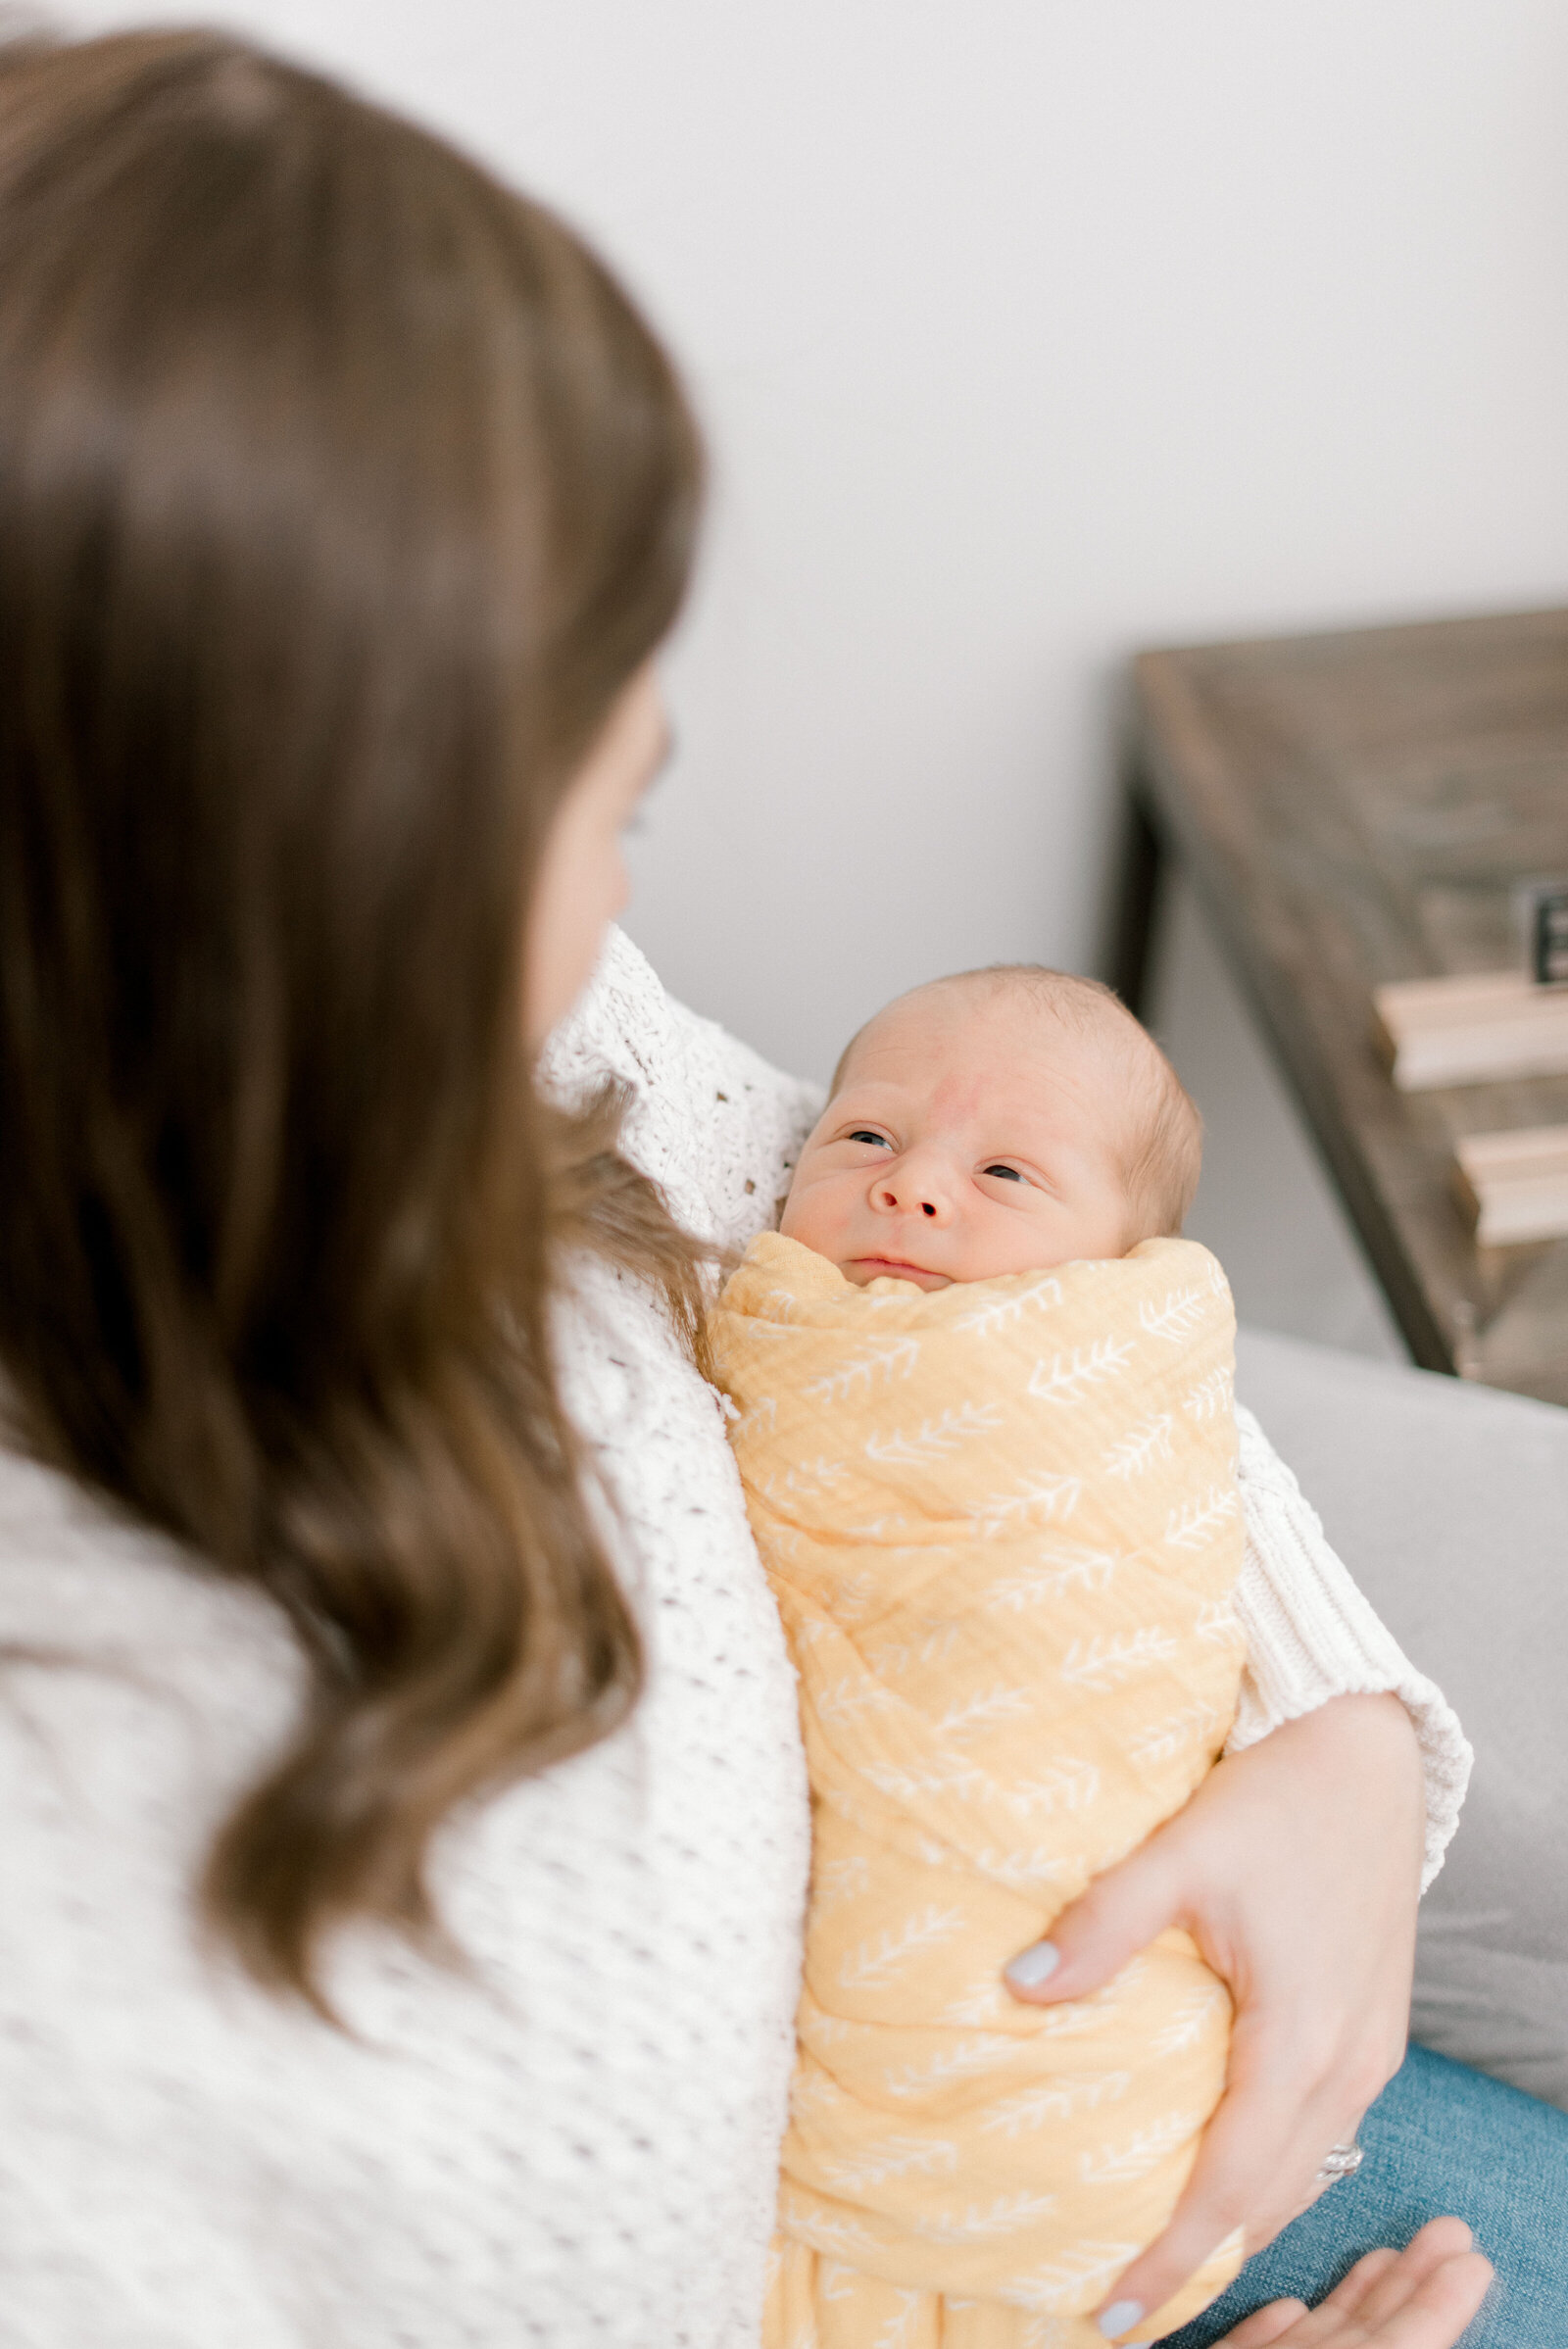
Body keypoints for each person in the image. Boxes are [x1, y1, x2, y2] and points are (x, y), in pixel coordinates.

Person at [0, 24, 1547, 2349]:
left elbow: (997, 1293)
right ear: (267, 878)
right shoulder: (83, 2024)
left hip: (1045, 2053)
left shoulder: (531, 1038)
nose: (627, 889)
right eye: (595, 797)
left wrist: (1328, 1729)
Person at [715, 967, 1250, 2342]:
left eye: (1006, 1169)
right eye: (867, 1138)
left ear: (1117, 1263)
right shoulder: (776, 1320)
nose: (911, 1188)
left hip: (1087, 1969)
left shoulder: (1103, 1365)